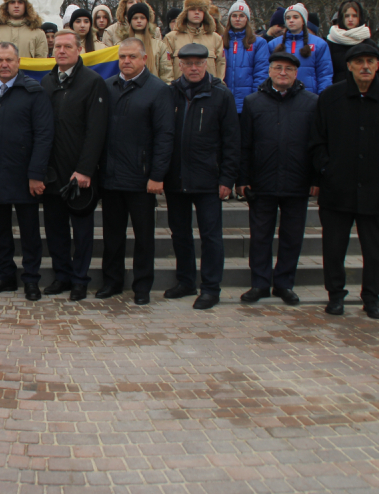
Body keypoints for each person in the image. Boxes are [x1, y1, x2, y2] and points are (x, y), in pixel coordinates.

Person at [310, 42, 379, 319]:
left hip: (376, 188)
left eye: (371, 61)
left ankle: (372, 296)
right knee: (334, 245)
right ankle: (335, 294)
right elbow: (317, 142)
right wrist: (327, 170)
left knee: (374, 247)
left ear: (377, 66)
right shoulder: (330, 97)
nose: (365, 66)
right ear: (349, 65)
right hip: (337, 187)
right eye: (359, 61)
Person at [0, 42, 54, 301]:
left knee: (30, 232)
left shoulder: (33, 92)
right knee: (0, 231)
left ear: (18, 62)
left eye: (9, 60)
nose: (4, 65)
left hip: (25, 176)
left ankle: (31, 280)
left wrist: (36, 174)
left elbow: (44, 135)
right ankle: (5, 276)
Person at [236, 51, 318, 306]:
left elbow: (316, 144)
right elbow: (245, 144)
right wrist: (243, 178)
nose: (283, 73)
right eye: (278, 68)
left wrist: (315, 178)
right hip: (262, 181)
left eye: (289, 69)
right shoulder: (253, 102)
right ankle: (259, 283)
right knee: (260, 235)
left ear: (296, 73)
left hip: (297, 180)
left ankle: (284, 284)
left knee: (292, 236)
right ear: (269, 71)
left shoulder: (311, 102)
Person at [162, 42, 240, 309]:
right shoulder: (170, 93)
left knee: (211, 236)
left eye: (198, 63)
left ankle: (210, 287)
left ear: (206, 64)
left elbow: (232, 140)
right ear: (180, 65)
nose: (193, 68)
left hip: (209, 178)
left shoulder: (221, 94)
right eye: (188, 64)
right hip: (177, 178)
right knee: (180, 233)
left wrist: (227, 178)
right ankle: (185, 281)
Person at [99, 38, 175, 305]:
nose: (126, 61)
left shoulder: (158, 90)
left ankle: (142, 286)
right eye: (122, 57)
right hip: (111, 176)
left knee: (143, 237)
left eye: (132, 56)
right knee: (112, 236)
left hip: (142, 179)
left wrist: (157, 175)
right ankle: (112, 281)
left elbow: (165, 136)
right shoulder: (108, 87)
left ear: (144, 59)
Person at [40, 30, 109, 301]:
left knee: (81, 232)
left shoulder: (92, 83)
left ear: (79, 49)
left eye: (68, 46)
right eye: (57, 46)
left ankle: (80, 279)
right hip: (52, 173)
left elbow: (97, 131)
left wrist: (85, 170)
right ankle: (62, 276)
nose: (61, 51)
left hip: (79, 174)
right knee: (55, 231)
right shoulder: (46, 82)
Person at [267, 4, 333, 94]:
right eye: (288, 18)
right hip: (280, 96)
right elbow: (267, 72)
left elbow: (325, 74)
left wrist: (322, 97)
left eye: (295, 17)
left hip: (309, 96)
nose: (291, 20)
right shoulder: (273, 44)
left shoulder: (319, 44)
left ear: (303, 20)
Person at [163, 0, 226, 80]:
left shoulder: (216, 38)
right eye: (192, 9)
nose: (197, 12)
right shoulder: (171, 38)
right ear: (186, 12)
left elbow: (221, 64)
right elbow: (166, 66)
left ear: (205, 14)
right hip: (180, 90)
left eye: (200, 10)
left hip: (209, 90)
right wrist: (171, 88)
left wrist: (217, 87)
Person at [223, 0, 270, 113]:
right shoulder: (219, 41)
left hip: (247, 102)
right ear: (229, 18)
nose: (237, 19)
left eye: (241, 16)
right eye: (234, 15)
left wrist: (256, 98)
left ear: (247, 19)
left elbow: (261, 72)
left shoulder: (258, 43)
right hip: (224, 101)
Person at [327, 0, 379, 84]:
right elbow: (324, 73)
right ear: (341, 18)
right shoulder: (330, 43)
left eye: (354, 16)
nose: (350, 19)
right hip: (337, 93)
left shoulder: (369, 44)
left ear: (360, 18)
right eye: (347, 16)